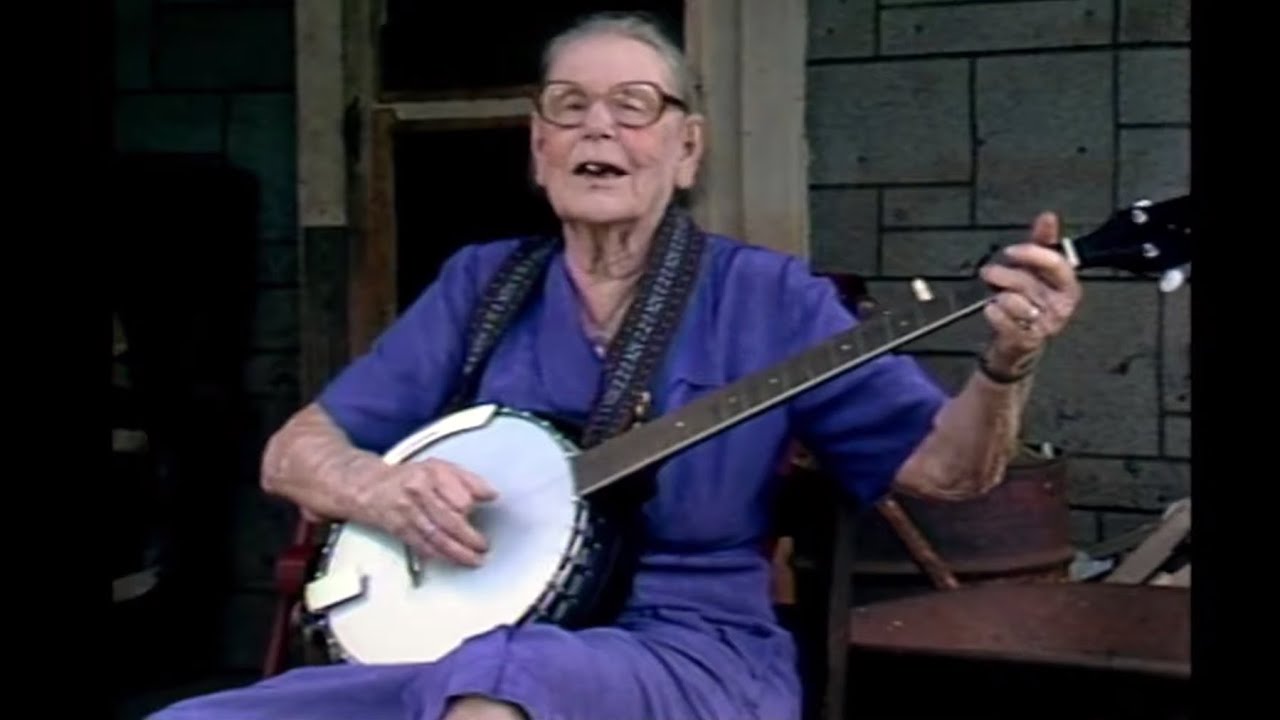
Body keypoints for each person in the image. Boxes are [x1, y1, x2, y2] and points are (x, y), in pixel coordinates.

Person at [149, 10, 1081, 720]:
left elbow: (951, 474)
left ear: (686, 150)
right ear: (539, 147)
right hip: (457, 644)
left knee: (504, 684)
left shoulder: (771, 299)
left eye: (635, 106)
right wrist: (383, 491)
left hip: (689, 649)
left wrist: (1008, 363)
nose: (599, 128)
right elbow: (295, 454)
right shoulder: (482, 286)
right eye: (569, 106)